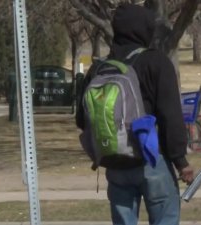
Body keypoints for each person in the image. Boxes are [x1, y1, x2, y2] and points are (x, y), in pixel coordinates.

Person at [76, 3, 194, 225]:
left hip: (115, 161)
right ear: (145, 30)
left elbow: (82, 120)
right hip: (152, 160)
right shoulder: (156, 62)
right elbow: (171, 116)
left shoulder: (98, 69)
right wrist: (181, 162)